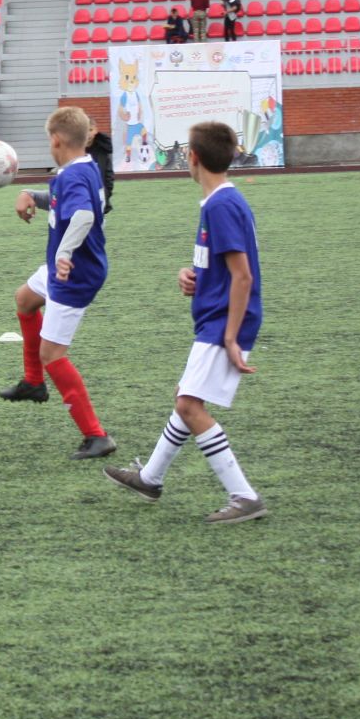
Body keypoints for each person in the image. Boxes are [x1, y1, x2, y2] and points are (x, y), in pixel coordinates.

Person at [103, 120, 267, 523]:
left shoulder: (221, 205)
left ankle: (244, 495)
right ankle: (150, 477)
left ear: (192, 158)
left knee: (189, 405)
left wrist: (230, 336)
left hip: (222, 323)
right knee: (186, 395)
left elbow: (243, 275)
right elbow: (227, 267)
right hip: (215, 317)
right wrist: (193, 275)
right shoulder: (220, 202)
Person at [0, 106, 116, 460]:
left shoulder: (72, 176)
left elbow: (82, 214)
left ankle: (97, 436)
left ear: (55, 139)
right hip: (65, 266)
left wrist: (64, 253)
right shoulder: (84, 168)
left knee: (53, 354)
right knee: (25, 300)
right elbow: (67, 202)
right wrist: (31, 196)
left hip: (74, 273)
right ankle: (34, 383)